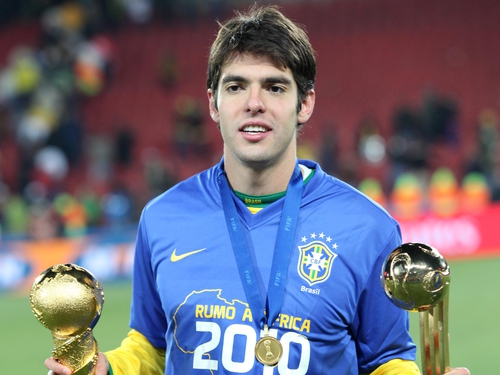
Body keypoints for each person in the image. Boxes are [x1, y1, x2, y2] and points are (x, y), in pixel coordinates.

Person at [46, 5, 471, 375]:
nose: (254, 102)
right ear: (213, 104)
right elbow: (152, 346)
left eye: (274, 86)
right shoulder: (161, 219)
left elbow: (385, 359)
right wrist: (110, 369)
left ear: (304, 103)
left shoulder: (368, 227)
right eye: (236, 86)